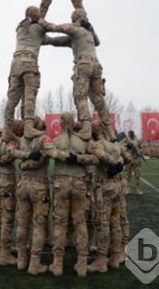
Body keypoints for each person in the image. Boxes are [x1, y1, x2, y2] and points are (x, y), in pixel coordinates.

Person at [41, 9, 113, 140]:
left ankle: (86, 128)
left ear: (75, 19)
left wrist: (43, 24)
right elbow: (61, 41)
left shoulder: (76, 29)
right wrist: (47, 40)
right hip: (96, 66)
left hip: (83, 65)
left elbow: (59, 28)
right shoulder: (88, 33)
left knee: (81, 97)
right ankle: (110, 130)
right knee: (98, 100)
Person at [44, 113, 99, 277]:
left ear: (61, 123)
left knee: (60, 223)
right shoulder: (82, 141)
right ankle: (82, 263)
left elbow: (49, 153)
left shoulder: (55, 141)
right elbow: (95, 158)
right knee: (80, 222)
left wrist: (67, 156)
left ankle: (58, 264)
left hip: (61, 185)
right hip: (79, 185)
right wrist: (79, 158)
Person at [2, 6, 52, 141]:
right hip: (29, 63)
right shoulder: (38, 28)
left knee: (12, 100)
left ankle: (6, 130)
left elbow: (43, 40)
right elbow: (52, 29)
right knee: (29, 97)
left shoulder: (19, 28)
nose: (40, 14)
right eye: (38, 13)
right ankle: (28, 128)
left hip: (15, 64)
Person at [10, 117, 51, 274]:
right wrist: (31, 162)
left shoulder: (22, 141)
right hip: (39, 185)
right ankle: (35, 263)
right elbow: (43, 159)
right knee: (39, 225)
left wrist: (24, 164)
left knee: (22, 224)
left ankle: (21, 260)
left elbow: (19, 161)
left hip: (23, 185)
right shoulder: (43, 139)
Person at [86, 121, 126, 273]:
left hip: (105, 188)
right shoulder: (114, 145)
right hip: (117, 187)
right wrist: (118, 165)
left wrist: (113, 164)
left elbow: (101, 155)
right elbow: (122, 160)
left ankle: (101, 260)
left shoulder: (99, 145)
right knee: (115, 222)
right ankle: (115, 257)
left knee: (103, 223)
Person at [0, 122, 20, 266]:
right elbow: (9, 157)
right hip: (6, 181)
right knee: (6, 217)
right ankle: (4, 253)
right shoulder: (11, 144)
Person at [123, 130, 144, 195]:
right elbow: (123, 149)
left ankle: (139, 189)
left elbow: (141, 148)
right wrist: (127, 147)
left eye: (132, 133)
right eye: (129, 133)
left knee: (137, 175)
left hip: (136, 159)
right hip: (129, 160)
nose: (130, 134)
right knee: (128, 175)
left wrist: (139, 151)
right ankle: (128, 189)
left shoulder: (137, 140)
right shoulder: (126, 140)